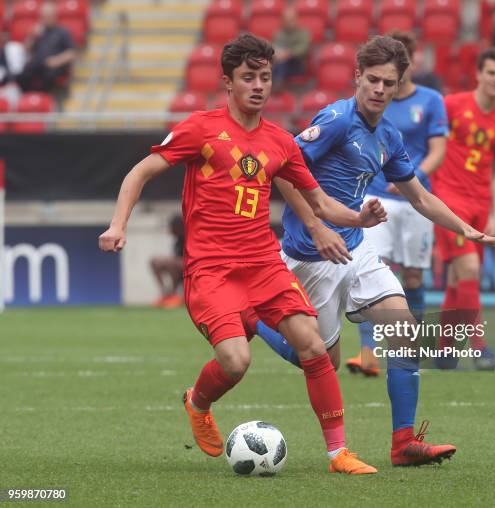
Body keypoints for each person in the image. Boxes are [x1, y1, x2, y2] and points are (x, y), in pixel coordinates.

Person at [99, 34, 385, 475]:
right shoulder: (201, 128)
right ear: (227, 83)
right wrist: (119, 224)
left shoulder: (281, 143)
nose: (258, 86)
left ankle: (338, 453)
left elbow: (319, 202)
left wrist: (359, 219)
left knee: (312, 344)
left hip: (264, 264)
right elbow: (141, 172)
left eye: (265, 77)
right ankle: (198, 402)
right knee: (236, 361)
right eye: (248, 77)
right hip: (211, 270)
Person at [247, 36, 495, 466]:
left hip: (356, 249)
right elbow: (281, 169)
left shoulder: (388, 135)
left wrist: (470, 231)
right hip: (311, 257)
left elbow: (421, 198)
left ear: (397, 84)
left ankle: (403, 444)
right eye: (372, 80)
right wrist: (316, 226)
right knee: (321, 361)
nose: (378, 89)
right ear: (357, 77)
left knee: (405, 333)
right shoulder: (335, 119)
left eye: (388, 83)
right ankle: (255, 318)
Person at [345, 31, 448, 377]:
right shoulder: (371, 102)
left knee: (415, 276)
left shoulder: (431, 100)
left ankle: (408, 349)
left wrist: (410, 176)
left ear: (412, 62)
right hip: (377, 198)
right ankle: (368, 353)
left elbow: (438, 151)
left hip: (414, 198)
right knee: (374, 270)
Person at [431, 47, 495, 370]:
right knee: (469, 270)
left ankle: (444, 350)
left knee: (458, 279)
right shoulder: (452, 106)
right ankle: (480, 349)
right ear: (479, 74)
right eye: (491, 72)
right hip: (449, 200)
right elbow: (431, 143)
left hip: (481, 204)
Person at [16, 1, 76, 93]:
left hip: (54, 65)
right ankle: (28, 98)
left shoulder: (62, 32)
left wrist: (57, 60)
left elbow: (71, 53)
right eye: (44, 16)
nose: (46, 18)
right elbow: (25, 50)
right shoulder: (38, 31)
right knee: (22, 74)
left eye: (48, 16)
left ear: (54, 16)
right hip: (38, 64)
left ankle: (43, 99)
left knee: (49, 74)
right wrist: (32, 36)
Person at [271, 8, 310, 91]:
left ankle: (276, 85)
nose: (289, 22)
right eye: (287, 20)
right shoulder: (278, 34)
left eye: (291, 20)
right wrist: (277, 53)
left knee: (282, 63)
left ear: (296, 20)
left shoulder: (303, 33)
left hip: (297, 64)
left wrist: (288, 53)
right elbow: (274, 48)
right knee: (277, 64)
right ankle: (276, 82)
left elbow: (303, 49)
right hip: (280, 63)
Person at [150, 214, 184, 308]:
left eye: (171, 226)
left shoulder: (188, 238)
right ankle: (165, 294)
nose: (170, 229)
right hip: (179, 266)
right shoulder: (177, 241)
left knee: (173, 263)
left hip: (191, 268)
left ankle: (174, 295)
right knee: (155, 262)